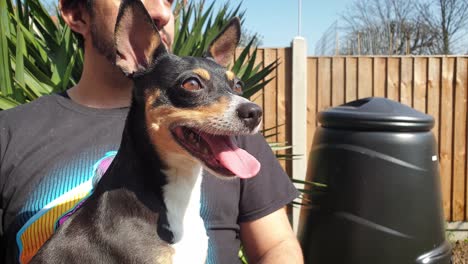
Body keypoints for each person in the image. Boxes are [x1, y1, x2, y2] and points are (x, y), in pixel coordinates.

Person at [0, 0, 303, 263]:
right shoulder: (9, 133)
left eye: (169, 0)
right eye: (193, 85)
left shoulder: (230, 142)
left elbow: (277, 246)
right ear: (76, 13)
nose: (160, 12)